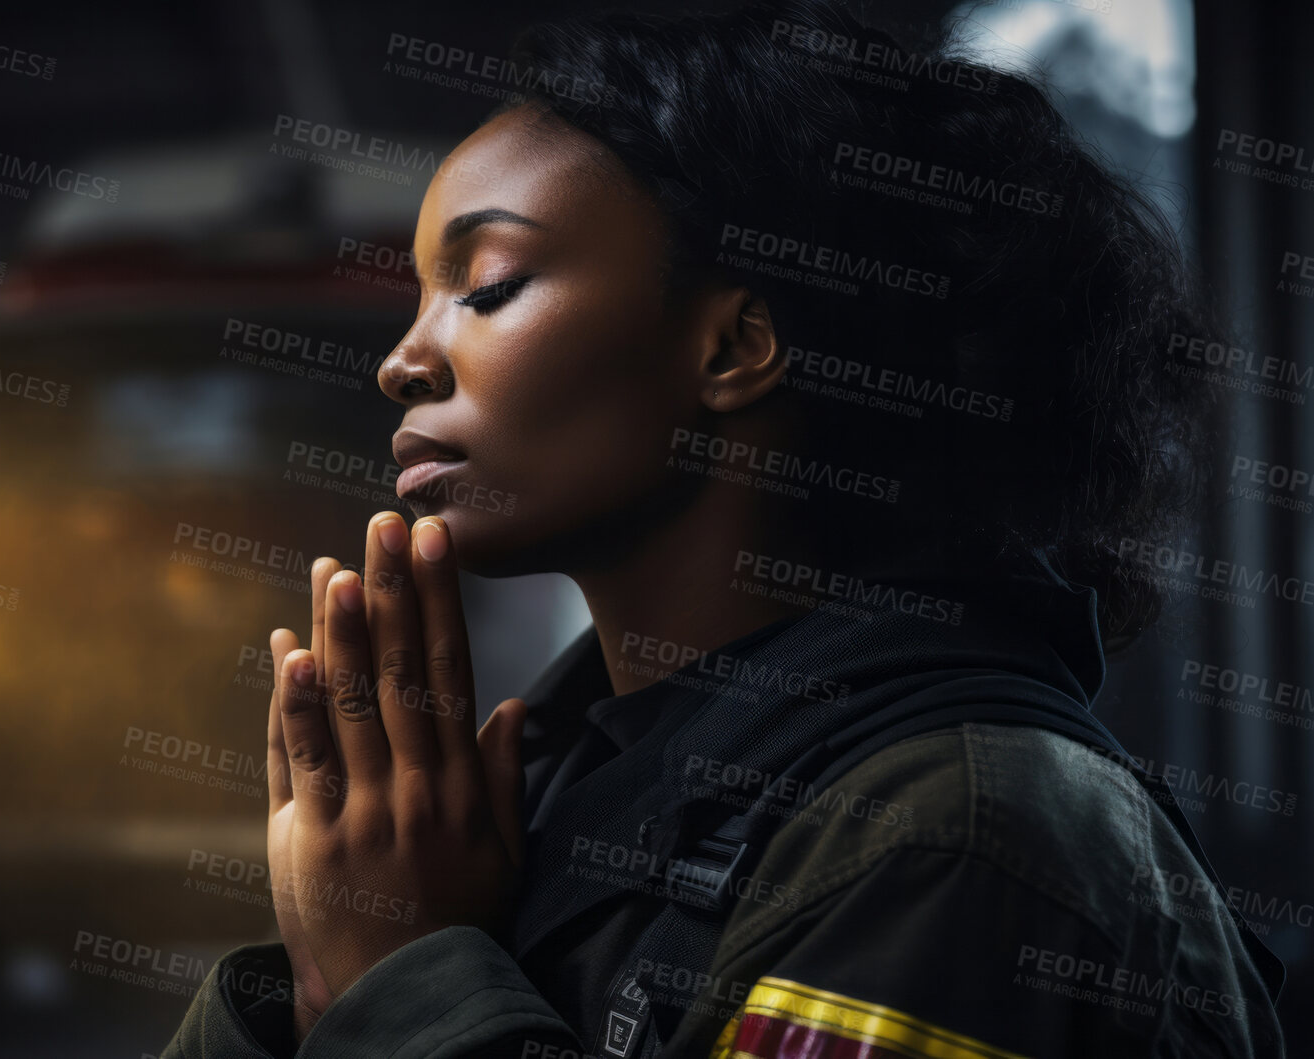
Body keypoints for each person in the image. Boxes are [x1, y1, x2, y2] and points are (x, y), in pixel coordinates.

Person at [163, 1, 1287, 1055]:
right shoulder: (534, 799)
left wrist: (396, 976)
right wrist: (307, 996)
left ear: (734, 348)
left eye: (489, 284)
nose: (401, 361)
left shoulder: (960, 836)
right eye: (418, 299)